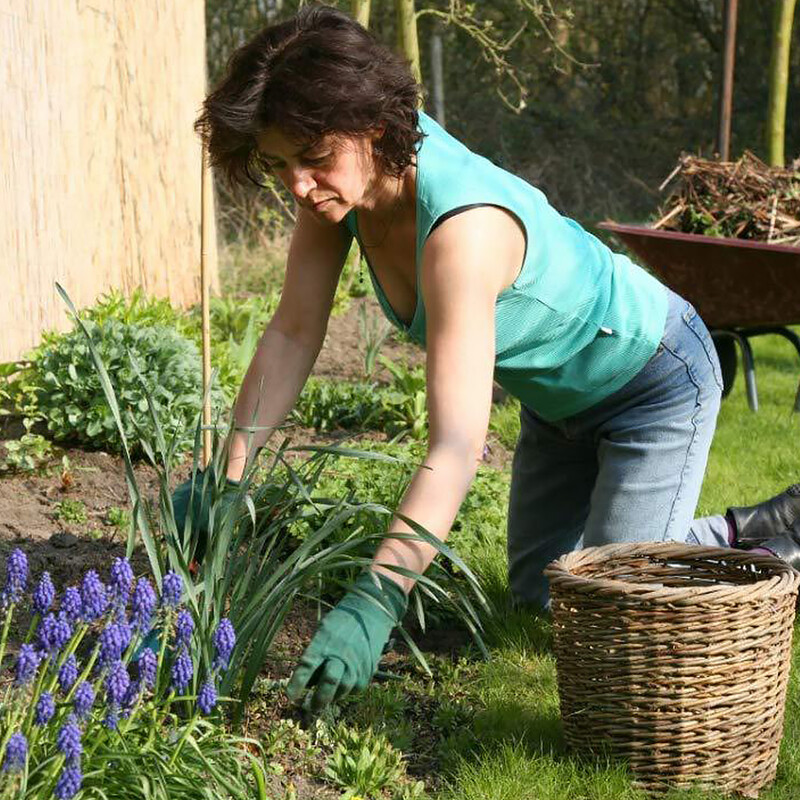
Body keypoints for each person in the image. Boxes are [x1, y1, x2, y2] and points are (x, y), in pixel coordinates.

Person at [177, 5, 800, 711]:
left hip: (653, 380)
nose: (296, 183)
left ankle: (747, 540)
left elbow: (457, 442)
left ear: (374, 126)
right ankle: (702, 534)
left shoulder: (461, 231)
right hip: (557, 405)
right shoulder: (339, 187)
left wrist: (375, 601)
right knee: (541, 602)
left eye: (312, 159)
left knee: (611, 610)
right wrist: (228, 478)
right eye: (280, 163)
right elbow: (292, 333)